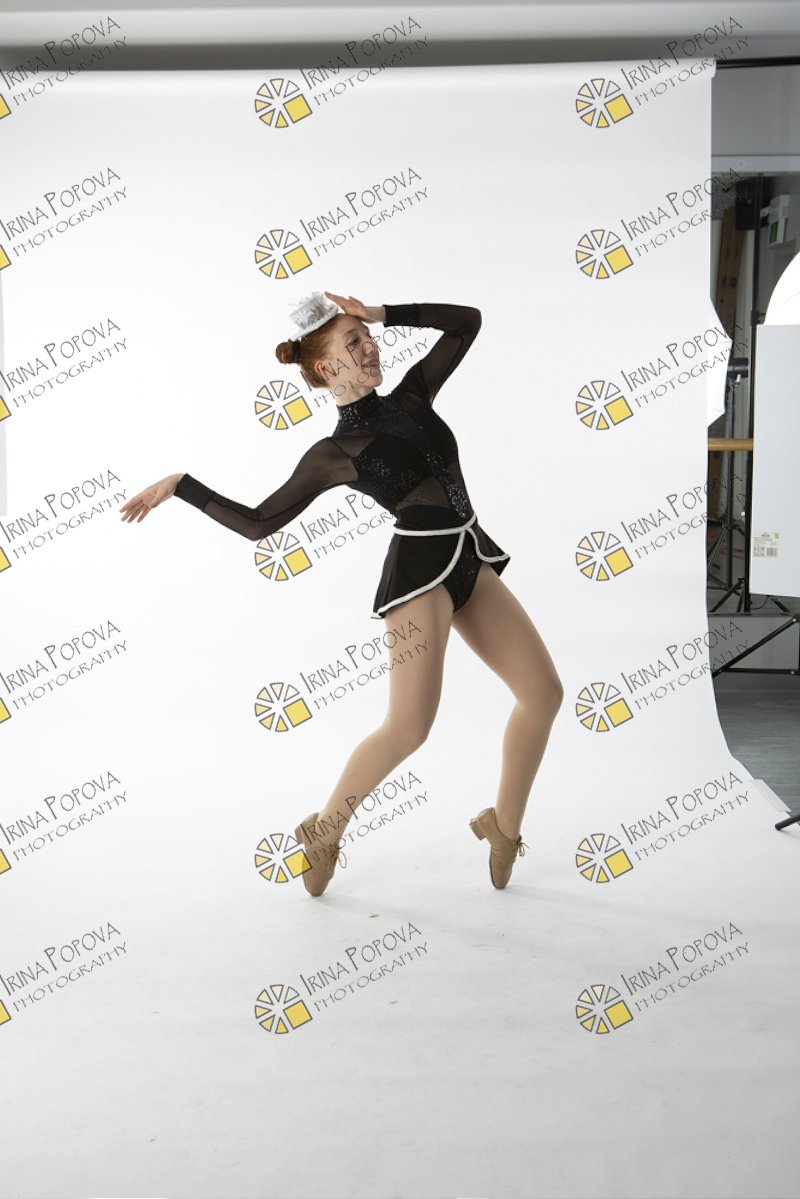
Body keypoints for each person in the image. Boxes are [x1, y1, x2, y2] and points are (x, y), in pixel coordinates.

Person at [119, 289, 563, 895]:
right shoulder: (334, 453)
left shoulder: (412, 395)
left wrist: (383, 313)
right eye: (354, 342)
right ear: (327, 368)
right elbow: (259, 523)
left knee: (543, 693)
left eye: (368, 337)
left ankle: (503, 829)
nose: (370, 347)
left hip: (469, 555)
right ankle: (325, 829)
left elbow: (467, 323)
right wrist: (181, 485)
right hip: (419, 576)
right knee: (409, 728)